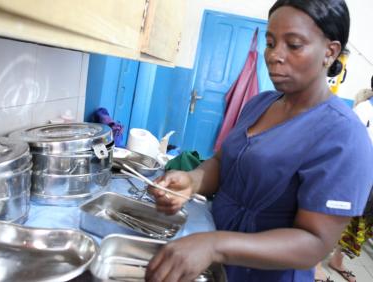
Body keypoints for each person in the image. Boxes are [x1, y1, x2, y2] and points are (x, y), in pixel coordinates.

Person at [145, 0, 373, 281]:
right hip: (217, 262)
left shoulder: (344, 135)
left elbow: (314, 243)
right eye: (270, 42)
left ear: (330, 51)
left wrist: (216, 246)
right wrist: (193, 180)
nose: (274, 55)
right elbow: (223, 161)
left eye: (294, 44)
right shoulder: (260, 104)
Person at [315, 83, 373, 282]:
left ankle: (337, 261)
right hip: (353, 174)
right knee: (334, 218)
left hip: (370, 178)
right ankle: (314, 266)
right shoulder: (364, 110)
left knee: (358, 224)